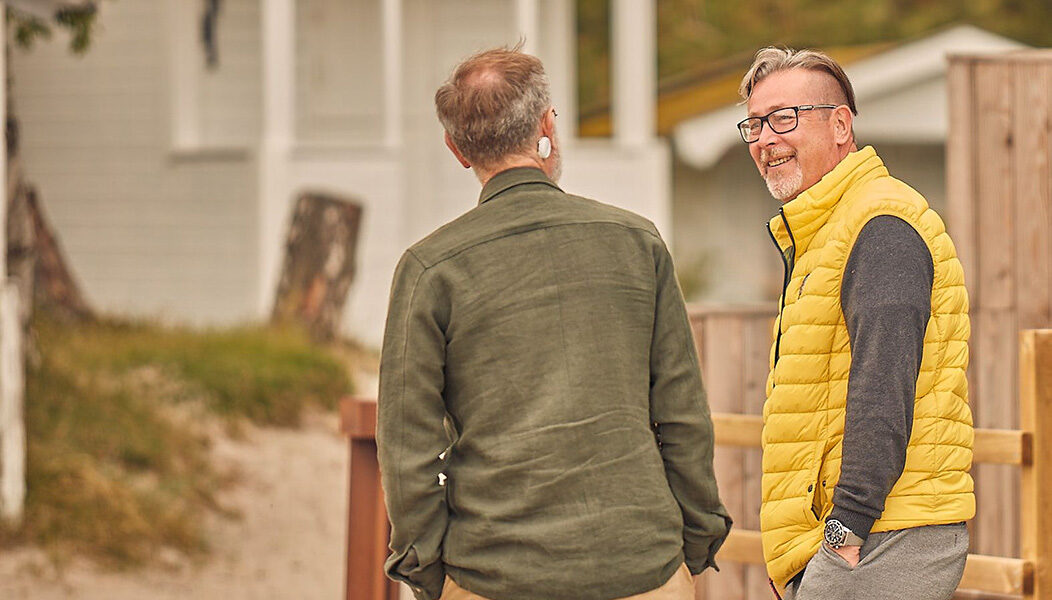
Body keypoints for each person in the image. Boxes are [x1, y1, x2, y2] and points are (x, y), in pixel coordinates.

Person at [375, 46, 731, 600]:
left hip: (494, 573)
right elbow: (682, 411)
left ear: (456, 149)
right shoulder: (637, 242)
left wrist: (424, 568)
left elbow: (407, 447)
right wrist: (698, 536)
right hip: (642, 565)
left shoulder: (429, 269)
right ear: (546, 126)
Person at [735, 47, 974, 600]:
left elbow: (884, 386)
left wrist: (843, 532)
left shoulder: (880, 222)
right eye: (754, 124)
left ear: (841, 125)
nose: (765, 139)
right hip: (856, 537)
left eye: (783, 118)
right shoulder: (827, 231)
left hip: (882, 535)